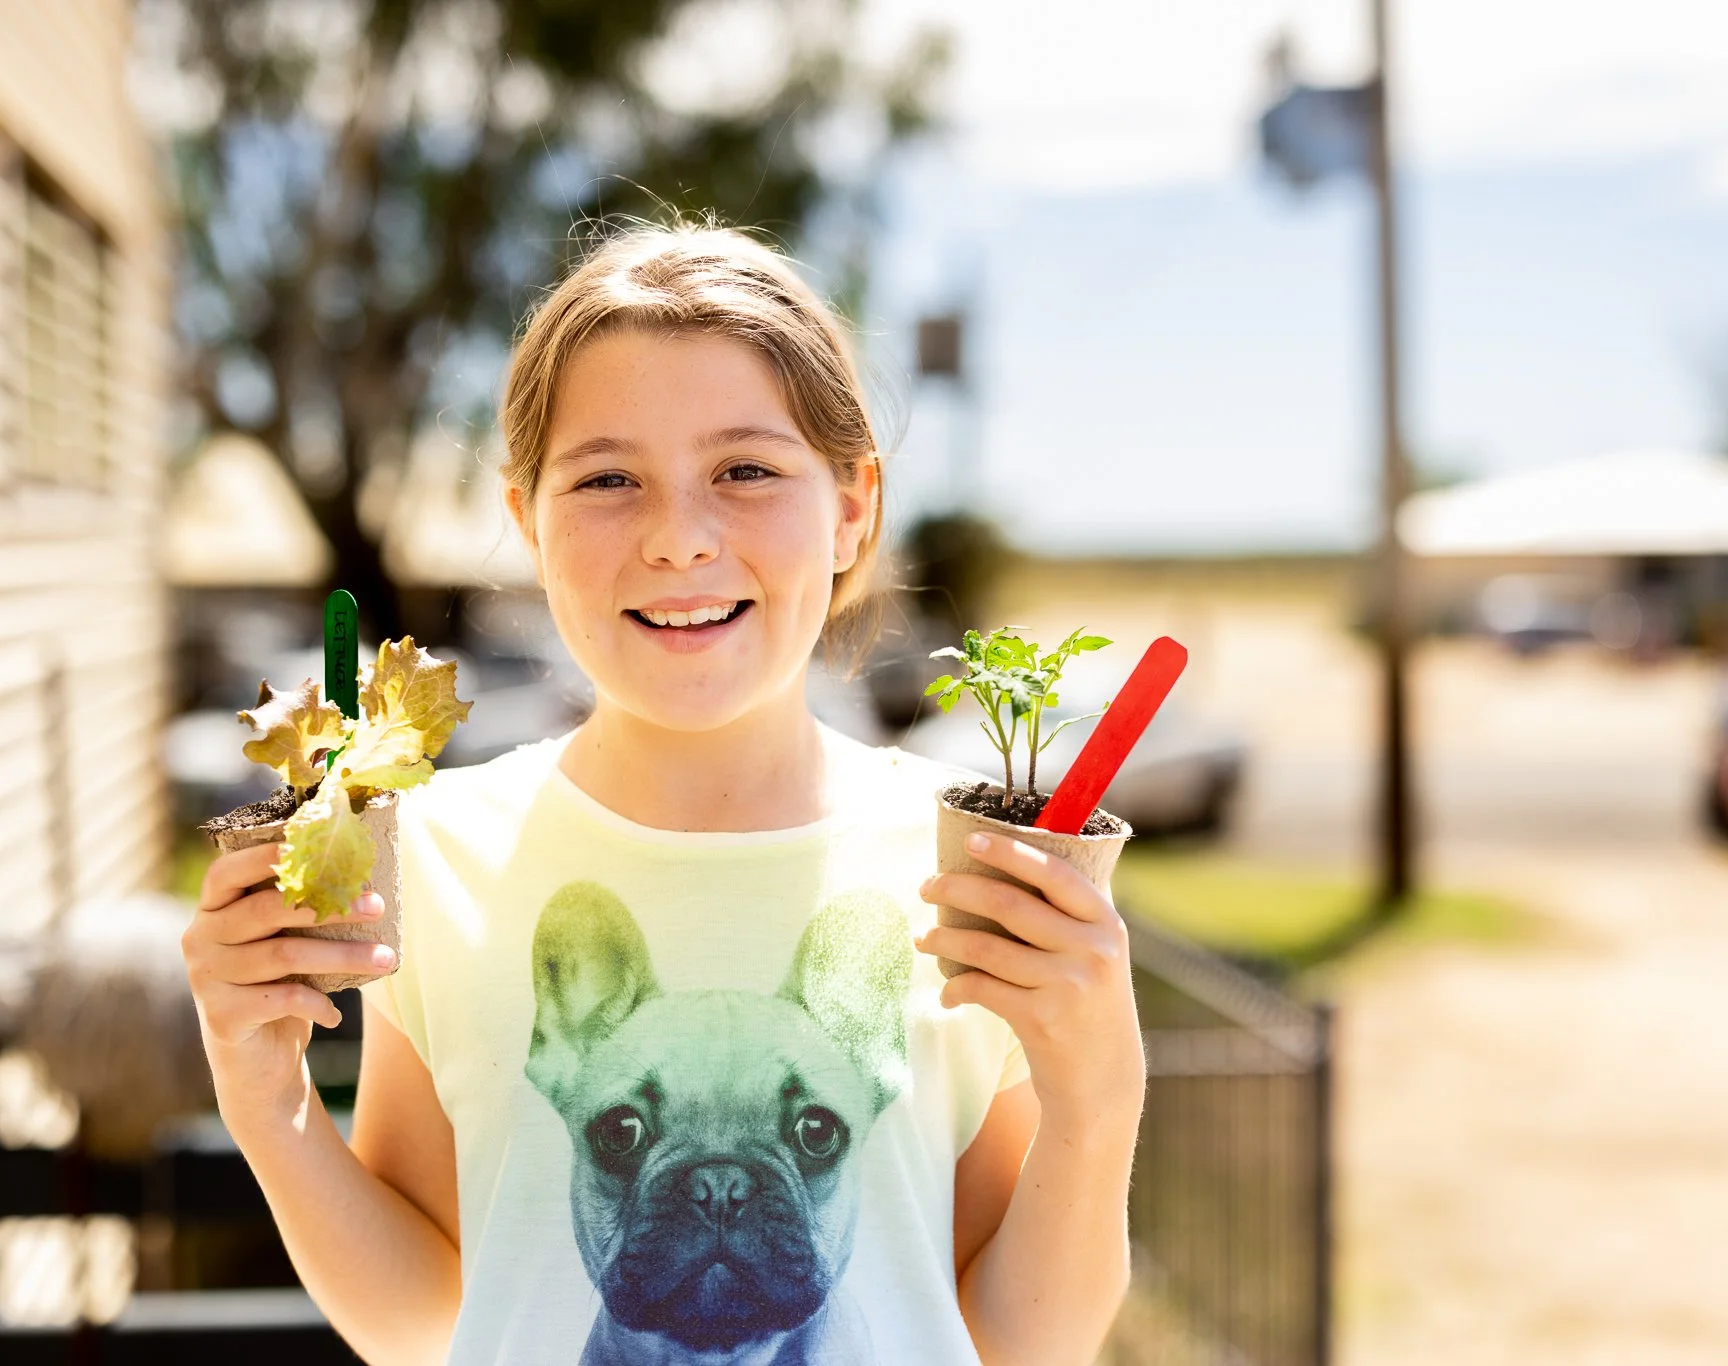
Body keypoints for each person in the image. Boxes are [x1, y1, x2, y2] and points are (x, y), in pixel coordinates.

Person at [182, 222, 1146, 1365]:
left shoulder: (969, 867)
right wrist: (264, 1100)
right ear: (526, 519)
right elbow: (428, 1315)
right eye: (606, 479)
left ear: (851, 507)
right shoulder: (442, 858)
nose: (678, 537)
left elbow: (1018, 1341)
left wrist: (1100, 1102)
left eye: (744, 470)